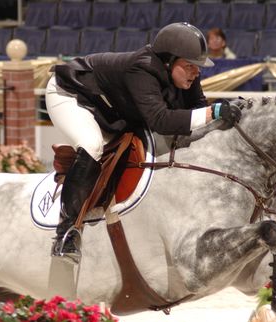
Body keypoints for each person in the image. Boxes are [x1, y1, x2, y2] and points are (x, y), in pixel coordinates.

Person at [45, 22, 243, 262]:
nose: (196, 72)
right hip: (72, 95)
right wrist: (214, 112)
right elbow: (161, 120)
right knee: (92, 144)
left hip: (111, 110)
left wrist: (223, 111)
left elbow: (198, 112)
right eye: (190, 66)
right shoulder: (141, 69)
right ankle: (65, 233)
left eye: (198, 67)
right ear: (169, 61)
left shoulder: (187, 76)